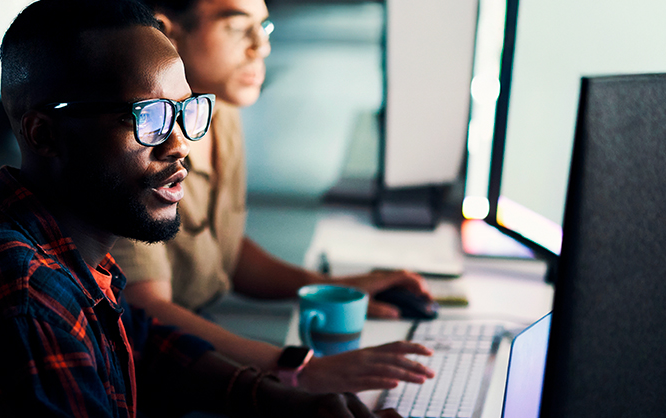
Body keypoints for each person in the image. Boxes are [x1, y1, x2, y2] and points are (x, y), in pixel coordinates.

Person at [0, 1, 462, 418]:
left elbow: (144, 342)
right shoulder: (27, 302)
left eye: (186, 111)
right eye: (147, 118)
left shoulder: (62, 240)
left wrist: (283, 400)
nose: (180, 143)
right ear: (44, 134)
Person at [110, 0, 437, 396]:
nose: (260, 47)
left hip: (200, 352)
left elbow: (222, 252)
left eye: (263, 29)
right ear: (167, 30)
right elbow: (148, 311)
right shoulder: (140, 148)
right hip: (148, 381)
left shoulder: (218, 111)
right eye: (236, 27)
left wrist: (334, 287)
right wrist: (296, 369)